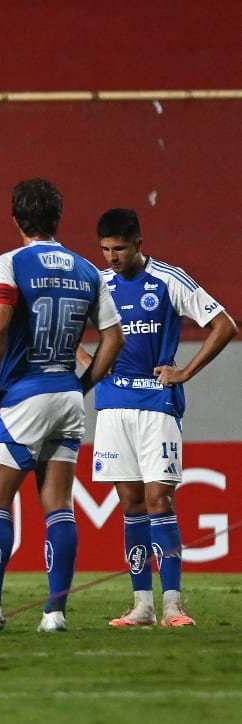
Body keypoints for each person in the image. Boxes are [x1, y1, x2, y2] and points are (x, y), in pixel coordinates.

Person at [0, 178, 125, 635]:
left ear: (16, 219)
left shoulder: (9, 264)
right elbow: (113, 338)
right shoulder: (86, 270)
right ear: (57, 219)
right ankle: (54, 614)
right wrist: (83, 384)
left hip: (23, 395)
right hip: (67, 396)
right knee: (58, 504)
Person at [77, 208, 237, 628]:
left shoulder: (168, 280)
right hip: (112, 407)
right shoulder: (98, 283)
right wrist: (92, 367)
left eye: (119, 249)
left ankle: (173, 606)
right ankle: (142, 605)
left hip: (157, 404)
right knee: (130, 503)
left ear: (138, 244)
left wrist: (184, 371)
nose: (111, 257)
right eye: (106, 249)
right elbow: (68, 330)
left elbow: (224, 324)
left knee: (159, 500)